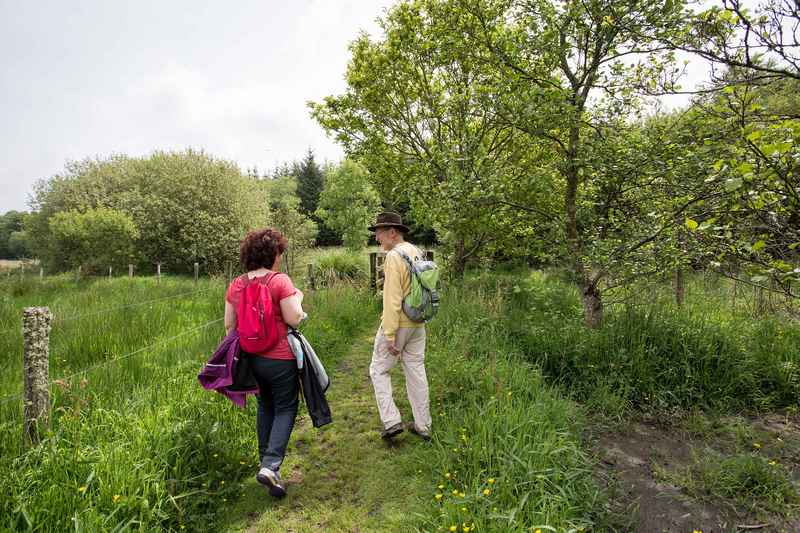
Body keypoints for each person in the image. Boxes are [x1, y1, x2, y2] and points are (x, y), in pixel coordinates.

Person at [224, 228, 305, 497]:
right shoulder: (279, 281)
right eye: (279, 253)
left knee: (265, 406)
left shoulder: (236, 284)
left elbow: (229, 325)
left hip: (251, 360)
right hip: (281, 359)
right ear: (273, 254)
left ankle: (268, 467)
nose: (280, 258)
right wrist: (299, 300)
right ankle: (271, 465)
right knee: (285, 407)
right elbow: (294, 318)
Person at [368, 212, 432, 441]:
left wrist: (390, 333)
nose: (377, 238)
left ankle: (392, 421)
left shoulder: (394, 256)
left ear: (392, 232)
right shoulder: (417, 251)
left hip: (400, 323)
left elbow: (392, 298)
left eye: (379, 233)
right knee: (416, 370)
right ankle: (423, 425)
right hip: (418, 322)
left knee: (378, 370)